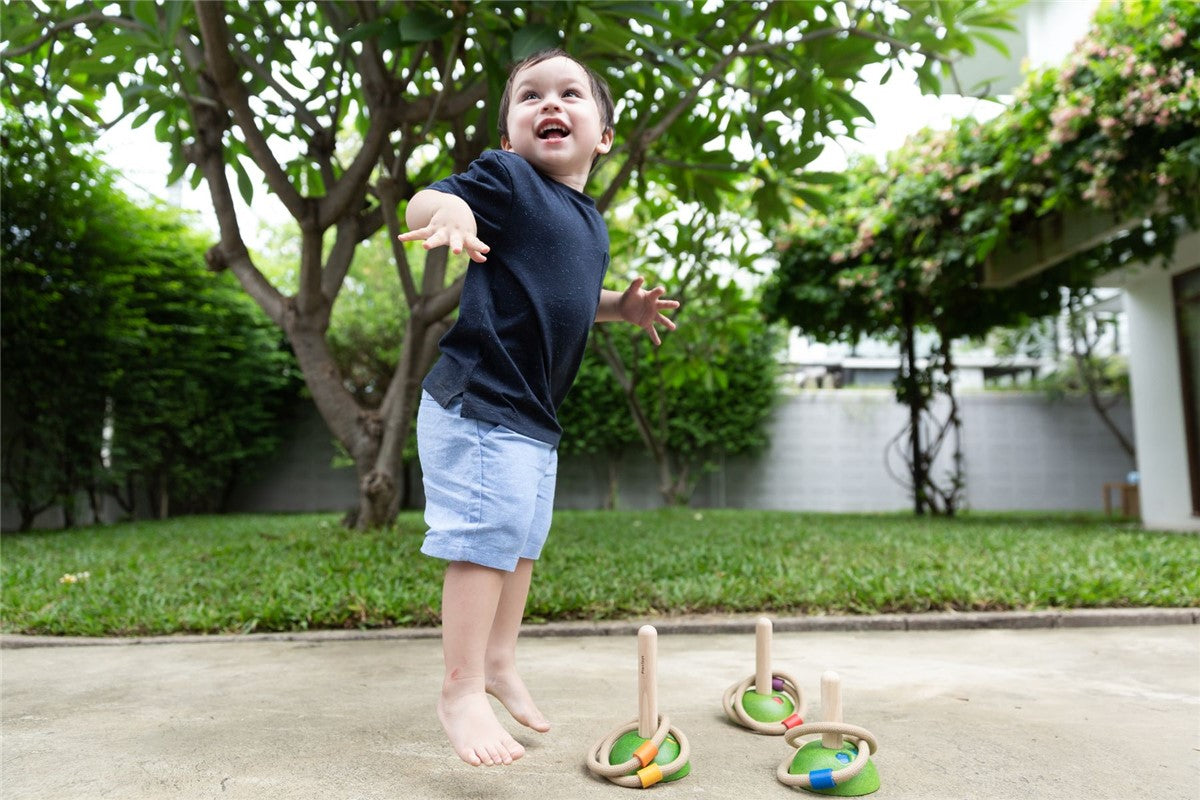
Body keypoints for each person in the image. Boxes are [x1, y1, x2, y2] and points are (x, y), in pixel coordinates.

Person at [398, 49, 678, 768]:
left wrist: (622, 305)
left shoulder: (587, 219)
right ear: (508, 136)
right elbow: (424, 201)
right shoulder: (509, 179)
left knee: (520, 542)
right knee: (485, 540)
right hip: (481, 399)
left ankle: (498, 662)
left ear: (604, 135)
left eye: (569, 94)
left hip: (529, 416)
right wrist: (453, 212)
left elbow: (573, 300)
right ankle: (460, 689)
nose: (550, 104)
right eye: (530, 96)